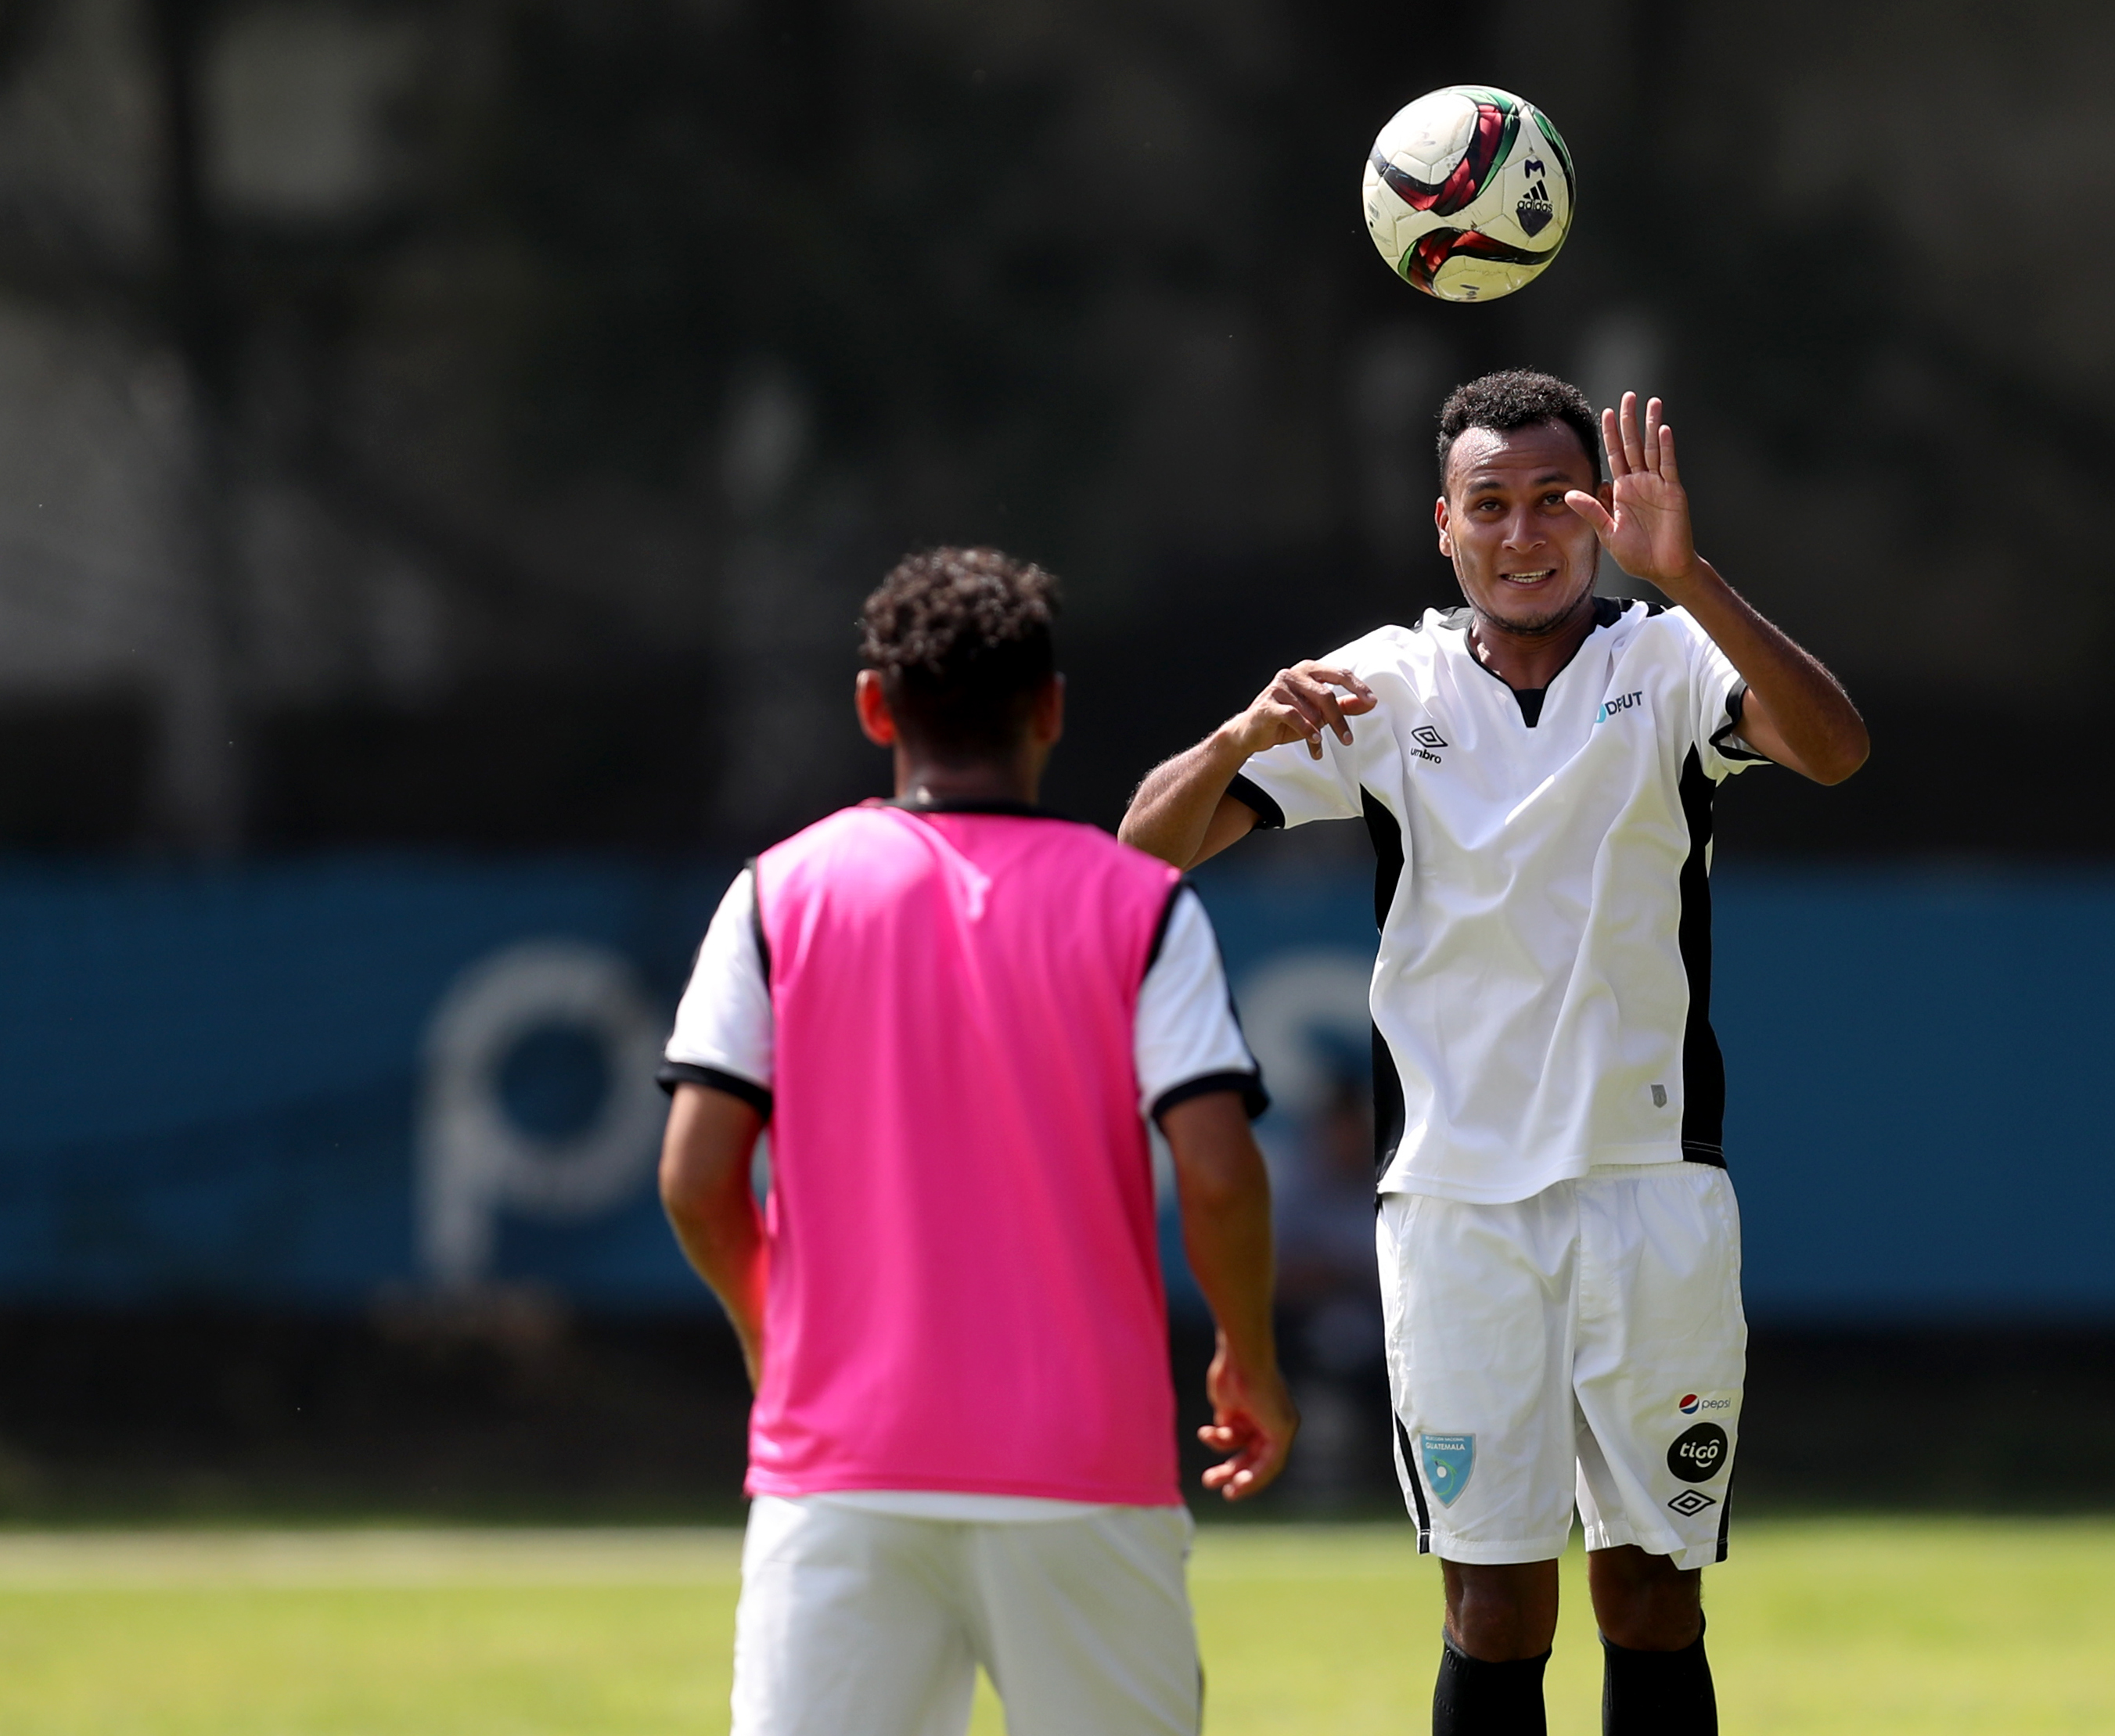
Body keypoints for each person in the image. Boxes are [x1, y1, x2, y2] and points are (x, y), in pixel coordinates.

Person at [1120, 372, 1869, 1735]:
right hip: (1457, 1213)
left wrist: (1688, 575)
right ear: (1444, 526)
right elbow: (1138, 857)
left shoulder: (1664, 659)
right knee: (1492, 1607)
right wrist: (1242, 733)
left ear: (1599, 519)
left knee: (1652, 1596)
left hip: (1652, 1193)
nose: (1524, 535)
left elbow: (1832, 750)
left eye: (1554, 502)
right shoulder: (1385, 681)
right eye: (1492, 505)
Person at [657, 546, 1296, 1736]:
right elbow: (1215, 1171)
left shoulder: (775, 893)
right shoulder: (1139, 903)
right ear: (1051, 707)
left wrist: (772, 1329)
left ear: (870, 704)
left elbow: (697, 1179)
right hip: (1082, 1467)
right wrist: (1246, 1354)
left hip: (841, 1468)